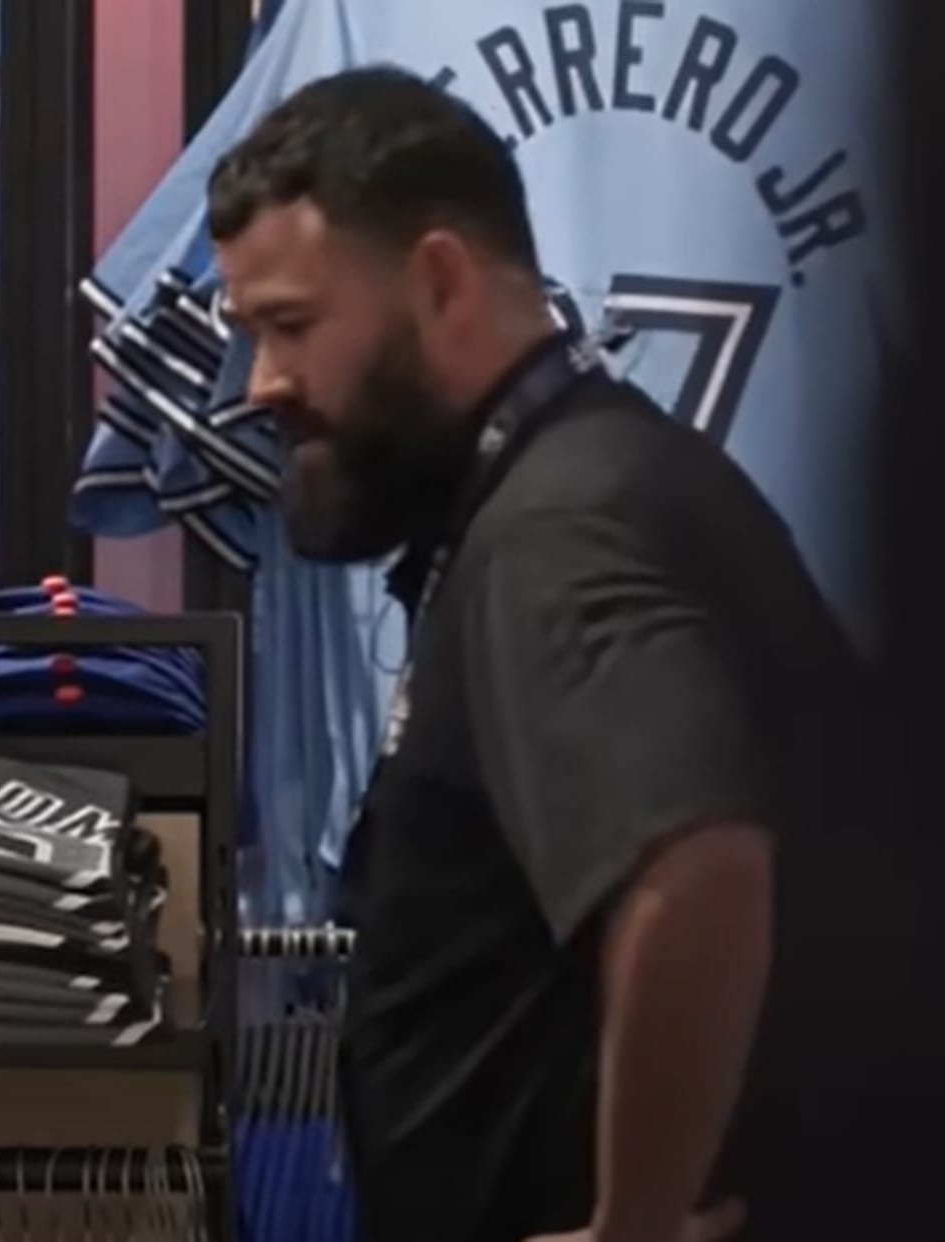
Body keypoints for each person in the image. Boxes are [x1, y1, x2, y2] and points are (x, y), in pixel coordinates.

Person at [206, 68, 911, 1242]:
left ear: (438, 282)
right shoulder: (589, 484)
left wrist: (634, 1222)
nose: (265, 386)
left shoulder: (557, 530)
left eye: (291, 327)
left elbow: (697, 865)